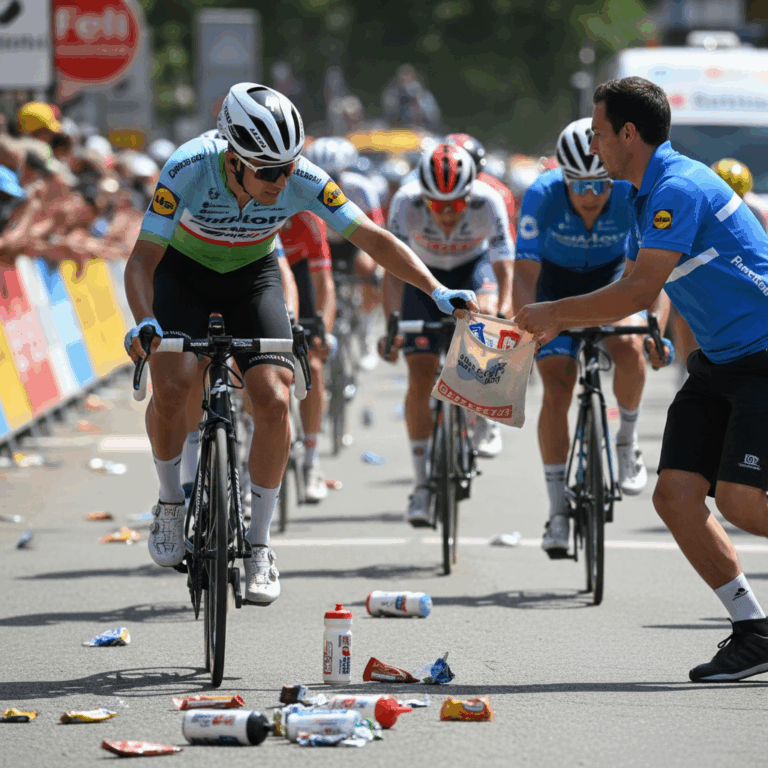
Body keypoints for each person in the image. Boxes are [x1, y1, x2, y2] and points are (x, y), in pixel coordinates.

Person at [123, 83, 478, 606]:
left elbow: (373, 239)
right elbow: (141, 261)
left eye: (289, 166)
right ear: (235, 158)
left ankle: (261, 544)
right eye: (269, 171)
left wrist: (436, 289)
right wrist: (145, 320)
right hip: (184, 275)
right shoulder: (188, 167)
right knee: (174, 385)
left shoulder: (300, 175)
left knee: (274, 395)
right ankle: (171, 501)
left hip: (254, 275)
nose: (282, 180)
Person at [515, 76, 768, 682]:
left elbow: (636, 289)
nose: (594, 143)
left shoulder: (676, 187)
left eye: (600, 132)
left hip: (763, 355)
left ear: (629, 133)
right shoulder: (640, 190)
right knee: (675, 496)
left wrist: (555, 313)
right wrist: (638, 328)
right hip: (719, 360)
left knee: (738, 500)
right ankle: (754, 630)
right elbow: (643, 285)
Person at [513, 117, 669, 557]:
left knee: (628, 345)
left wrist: (654, 324)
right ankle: (558, 511)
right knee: (558, 387)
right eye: (578, 185)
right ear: (562, 176)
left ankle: (627, 443)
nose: (589, 195)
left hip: (612, 281)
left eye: (598, 184)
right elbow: (524, 275)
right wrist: (528, 329)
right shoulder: (541, 194)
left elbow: (655, 275)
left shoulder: (629, 194)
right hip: (553, 288)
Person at [382, 142, 515, 525]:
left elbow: (504, 263)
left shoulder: (488, 201)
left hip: (472, 268)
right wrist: (392, 320)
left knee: (486, 313)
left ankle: (482, 407)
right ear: (422, 196)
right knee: (421, 372)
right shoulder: (406, 201)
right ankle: (422, 485)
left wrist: (502, 310)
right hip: (423, 276)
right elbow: (391, 268)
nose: (445, 213)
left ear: (469, 195)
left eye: (455, 205)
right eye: (436, 205)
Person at [304, 136, 384, 370]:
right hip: (321, 243)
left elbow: (376, 231)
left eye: (335, 177)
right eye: (323, 176)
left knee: (367, 268)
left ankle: (367, 334)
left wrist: (376, 269)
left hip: (353, 241)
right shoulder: (305, 187)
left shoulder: (361, 187)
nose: (330, 184)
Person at [280, 211, 337, 502]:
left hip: (299, 275)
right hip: (257, 272)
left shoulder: (307, 219)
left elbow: (324, 283)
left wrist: (322, 332)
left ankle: (311, 459)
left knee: (311, 365)